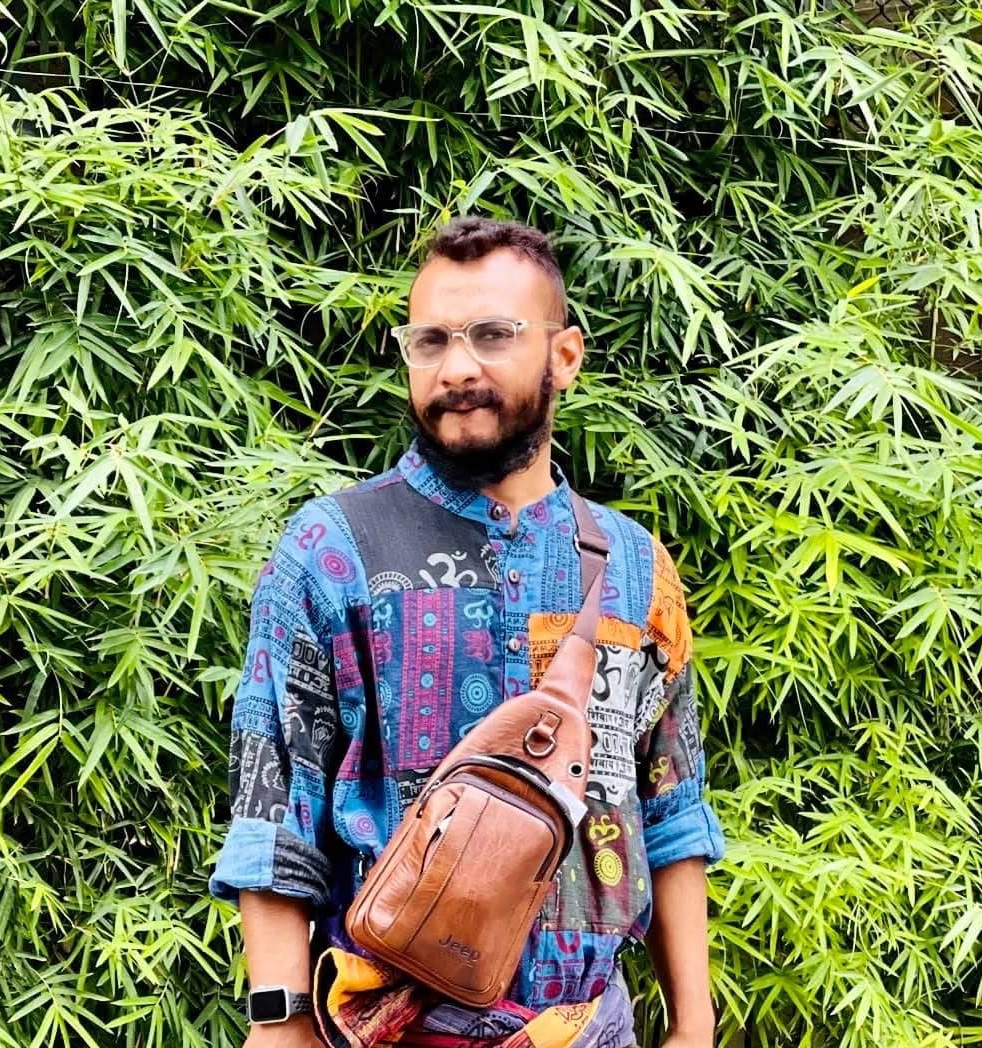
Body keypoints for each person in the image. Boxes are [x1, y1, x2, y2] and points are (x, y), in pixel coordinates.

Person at [210, 217, 727, 1048]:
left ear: (564, 355)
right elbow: (275, 807)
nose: (456, 368)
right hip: (392, 1029)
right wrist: (280, 1022)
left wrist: (693, 1024)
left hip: (592, 1028)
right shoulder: (331, 551)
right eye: (430, 342)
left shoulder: (636, 567)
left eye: (492, 335)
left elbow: (670, 808)